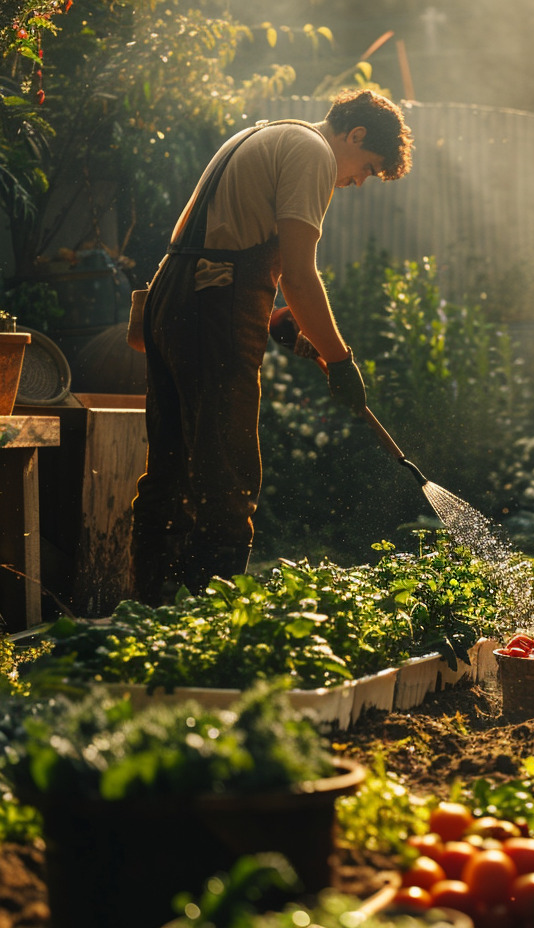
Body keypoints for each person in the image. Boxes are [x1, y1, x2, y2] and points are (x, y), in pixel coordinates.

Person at [130, 89, 414, 604]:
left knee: (170, 467)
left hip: (172, 298)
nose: (355, 182)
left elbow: (229, 247)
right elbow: (301, 278)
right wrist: (341, 362)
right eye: (367, 168)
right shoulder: (313, 153)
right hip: (211, 306)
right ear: (355, 136)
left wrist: (280, 322)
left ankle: (147, 609)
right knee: (228, 476)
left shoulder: (264, 132)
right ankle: (206, 623)